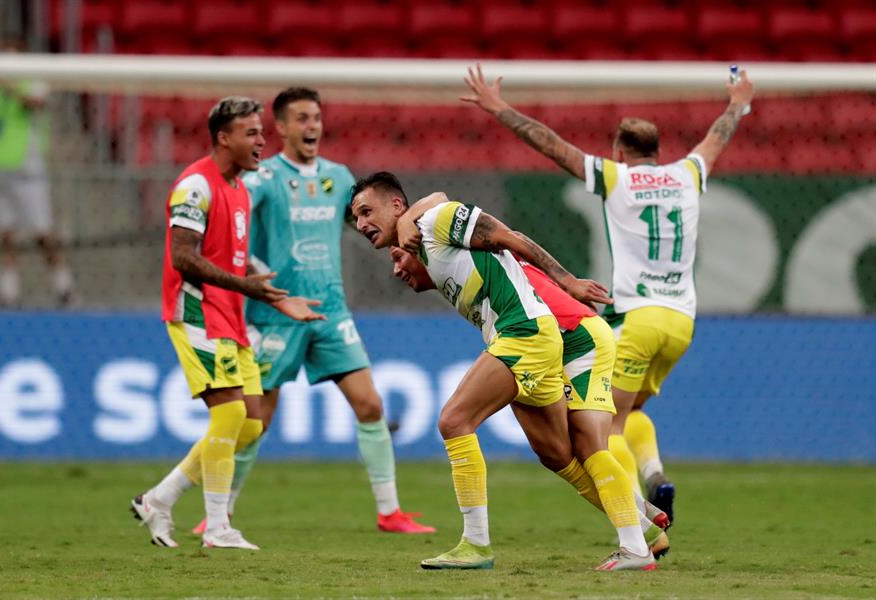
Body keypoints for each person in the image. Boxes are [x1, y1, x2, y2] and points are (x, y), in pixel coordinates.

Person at [462, 63, 754, 523]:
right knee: (633, 408)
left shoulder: (615, 178)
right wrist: (738, 104)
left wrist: (499, 108)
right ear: (659, 152)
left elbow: (553, 146)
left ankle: (641, 521)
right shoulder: (688, 174)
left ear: (619, 151)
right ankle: (654, 473)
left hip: (637, 317)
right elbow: (716, 138)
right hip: (681, 322)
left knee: (605, 427)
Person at [352, 171, 655, 571]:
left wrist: (567, 281)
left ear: (396, 206)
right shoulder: (425, 240)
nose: (361, 225)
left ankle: (475, 544)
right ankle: (638, 535)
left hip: (525, 332)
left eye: (366, 211)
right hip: (532, 338)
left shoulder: (435, 222)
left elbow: (508, 235)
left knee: (454, 420)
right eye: (356, 219)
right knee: (563, 454)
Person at [190, 87, 434, 536]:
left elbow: (367, 225)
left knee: (370, 404)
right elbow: (233, 237)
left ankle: (390, 512)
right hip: (276, 314)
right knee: (254, 422)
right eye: (302, 119)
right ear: (280, 127)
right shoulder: (262, 179)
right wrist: (265, 281)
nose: (312, 127)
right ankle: (218, 514)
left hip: (330, 311)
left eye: (317, 118)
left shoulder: (339, 178)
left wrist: (402, 250)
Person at [130, 96, 323, 551]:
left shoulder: (239, 187)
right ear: (224, 137)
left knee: (251, 423)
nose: (262, 141)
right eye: (252, 133)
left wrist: (275, 295)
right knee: (231, 412)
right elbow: (183, 256)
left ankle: (159, 499)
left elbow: (233, 256)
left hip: (229, 313)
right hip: (195, 311)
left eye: (261, 131)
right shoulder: (195, 186)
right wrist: (246, 285)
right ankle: (217, 527)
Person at [0, 33, 73, 308]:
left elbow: (36, 103)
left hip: (27, 167)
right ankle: (10, 290)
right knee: (5, 231)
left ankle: (63, 283)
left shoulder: (32, 82)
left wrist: (12, 88)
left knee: (41, 229)